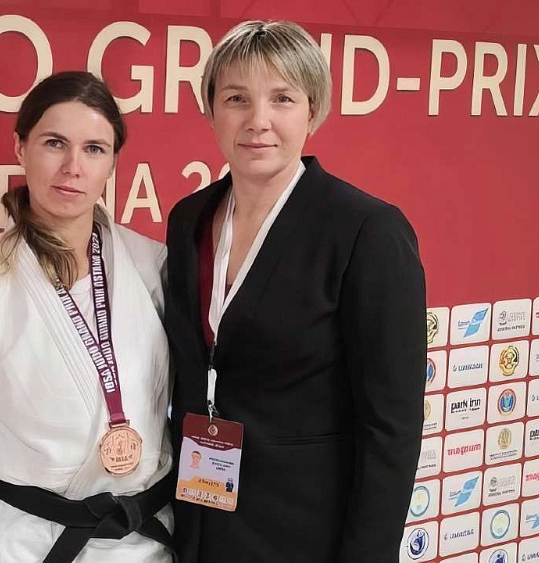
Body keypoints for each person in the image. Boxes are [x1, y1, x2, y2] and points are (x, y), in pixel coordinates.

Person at [164, 21, 426, 561]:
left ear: (313, 111)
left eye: (282, 98)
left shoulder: (365, 231)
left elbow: (391, 429)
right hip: (199, 522)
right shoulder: (189, 219)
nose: (258, 120)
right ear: (211, 110)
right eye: (236, 98)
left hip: (306, 533)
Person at [0, 71, 174, 563]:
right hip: (31, 544)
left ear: (113, 162)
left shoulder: (152, 265)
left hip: (147, 541)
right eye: (55, 143)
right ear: (20, 148)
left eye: (94, 149)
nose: (73, 167)